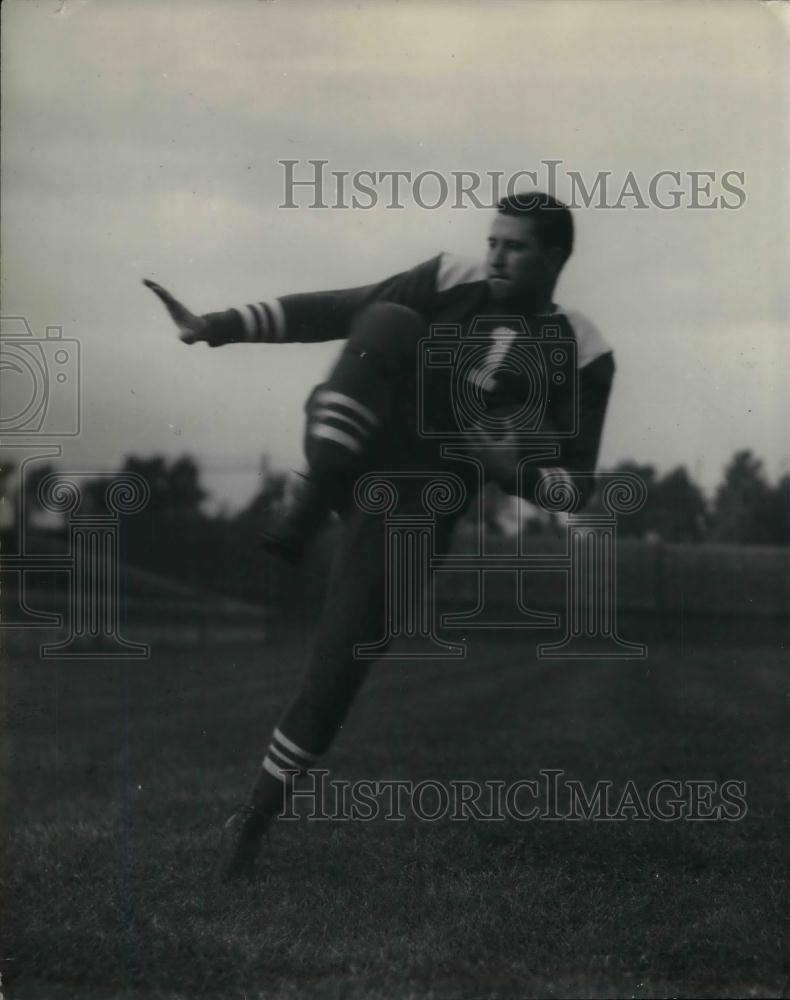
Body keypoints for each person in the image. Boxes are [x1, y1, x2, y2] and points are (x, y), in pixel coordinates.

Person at [144, 191, 615, 880]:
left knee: (336, 673)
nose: (496, 255)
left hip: (421, 507)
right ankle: (311, 497)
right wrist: (216, 324)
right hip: (365, 437)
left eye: (515, 246)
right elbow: (342, 309)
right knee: (390, 318)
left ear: (554, 256)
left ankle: (252, 824)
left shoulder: (583, 347)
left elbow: (578, 487)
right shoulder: (454, 279)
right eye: (493, 240)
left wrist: (511, 472)